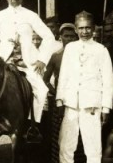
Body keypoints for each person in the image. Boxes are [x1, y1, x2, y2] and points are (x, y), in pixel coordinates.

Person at [0, 0, 57, 123]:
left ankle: (33, 125)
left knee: (40, 91)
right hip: (3, 61)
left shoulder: (31, 15)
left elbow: (49, 37)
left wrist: (42, 59)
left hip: (26, 62)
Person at [56, 11, 113, 163]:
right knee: (66, 145)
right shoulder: (70, 49)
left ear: (93, 28)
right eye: (81, 28)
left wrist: (106, 107)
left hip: (92, 105)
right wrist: (60, 99)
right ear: (75, 29)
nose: (85, 31)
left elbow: (108, 80)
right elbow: (64, 75)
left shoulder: (101, 50)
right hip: (71, 104)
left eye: (88, 28)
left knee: (93, 147)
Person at [43, 22, 78, 163]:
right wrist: (55, 92)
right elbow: (44, 79)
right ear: (60, 37)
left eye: (72, 36)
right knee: (59, 133)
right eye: (66, 36)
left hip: (77, 100)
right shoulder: (56, 56)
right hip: (60, 101)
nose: (69, 39)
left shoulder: (81, 55)